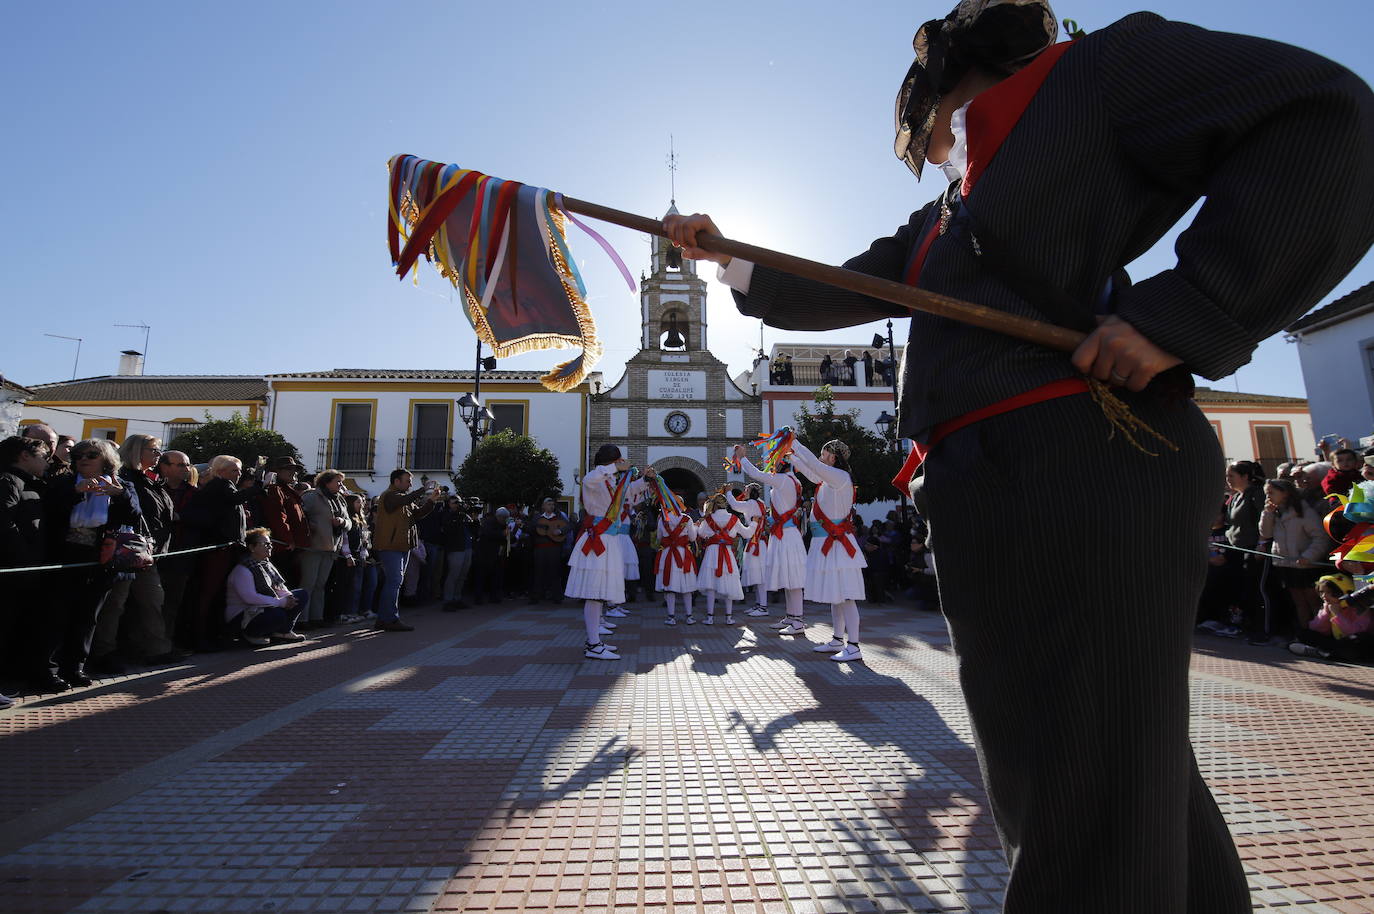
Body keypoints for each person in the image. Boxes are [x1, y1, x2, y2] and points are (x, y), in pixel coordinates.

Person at [668, 3, 1374, 906]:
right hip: (997, 481)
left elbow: (1323, 111)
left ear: (946, 88)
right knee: (1114, 756)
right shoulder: (949, 212)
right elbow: (849, 282)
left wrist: (1192, 310)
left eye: (923, 133)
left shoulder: (1099, 73)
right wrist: (726, 257)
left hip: (1075, 454)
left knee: (1070, 775)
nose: (925, 154)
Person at [41, 438, 141, 688]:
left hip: (101, 559)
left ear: (106, 459)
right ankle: (47, 671)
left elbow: (134, 516)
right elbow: (50, 512)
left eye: (91, 454)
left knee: (88, 617)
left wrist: (118, 495)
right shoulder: (64, 483)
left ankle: (75, 668)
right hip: (65, 556)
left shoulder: (122, 485)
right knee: (56, 614)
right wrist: (77, 491)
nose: (83, 459)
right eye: (78, 455)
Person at [90, 435, 178, 672]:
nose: (159, 455)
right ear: (137, 451)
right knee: (116, 603)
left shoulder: (149, 480)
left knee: (152, 599)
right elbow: (134, 513)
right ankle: (104, 651)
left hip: (146, 550)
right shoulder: (125, 478)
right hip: (123, 549)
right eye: (154, 450)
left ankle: (157, 648)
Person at [566, 446, 654, 659]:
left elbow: (629, 494)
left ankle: (594, 641)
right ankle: (594, 644)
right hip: (599, 538)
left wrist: (646, 479)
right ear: (610, 462)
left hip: (609, 539)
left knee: (598, 594)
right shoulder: (596, 479)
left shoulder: (610, 481)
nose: (622, 463)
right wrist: (613, 467)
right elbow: (588, 479)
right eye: (617, 460)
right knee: (594, 594)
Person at [789, 439, 867, 662]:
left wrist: (793, 442)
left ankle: (853, 645)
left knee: (846, 597)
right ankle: (836, 640)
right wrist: (792, 457)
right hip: (827, 544)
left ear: (833, 458)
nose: (821, 458)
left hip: (837, 546)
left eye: (823, 455)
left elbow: (814, 466)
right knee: (837, 596)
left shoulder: (840, 477)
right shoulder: (827, 480)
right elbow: (811, 470)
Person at [187, 455, 259, 652]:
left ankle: (215, 634)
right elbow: (236, 499)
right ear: (220, 472)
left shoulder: (223, 487)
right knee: (210, 592)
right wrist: (260, 483)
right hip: (218, 549)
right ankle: (201, 637)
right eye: (234, 471)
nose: (238, 475)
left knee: (219, 593)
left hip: (227, 547)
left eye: (239, 471)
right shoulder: (220, 485)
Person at [736, 445, 807, 635]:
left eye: (774, 461)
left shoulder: (783, 480)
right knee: (789, 577)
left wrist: (742, 458)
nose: (771, 464)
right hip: (785, 532)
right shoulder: (792, 480)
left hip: (787, 533)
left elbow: (756, 474)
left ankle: (798, 620)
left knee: (793, 579)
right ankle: (792, 617)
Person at [1, 436, 50, 685]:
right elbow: (6, 523)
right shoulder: (8, 481)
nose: (47, 461)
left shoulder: (32, 483)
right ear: (25, 455)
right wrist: (23, 557)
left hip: (27, 567)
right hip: (13, 568)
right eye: (43, 455)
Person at [372, 469, 441, 631]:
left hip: (402, 545)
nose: (410, 484)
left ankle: (384, 618)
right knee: (394, 581)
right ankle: (390, 619)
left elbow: (417, 514)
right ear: (397, 481)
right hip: (390, 546)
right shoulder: (389, 495)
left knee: (395, 582)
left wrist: (431, 501)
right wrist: (424, 489)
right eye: (408, 481)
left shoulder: (404, 499)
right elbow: (404, 500)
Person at [1259, 477, 1330, 631]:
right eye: (1266, 494)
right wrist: (1267, 514)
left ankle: (1320, 633)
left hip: (1305, 565)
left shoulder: (1304, 512)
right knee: (1298, 602)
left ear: (1285, 493)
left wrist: (1308, 556)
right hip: (1286, 564)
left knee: (1313, 601)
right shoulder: (1274, 512)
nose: (1268, 497)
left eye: (1271, 493)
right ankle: (1304, 634)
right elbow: (1265, 533)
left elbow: (1320, 538)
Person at [224, 527, 306, 646]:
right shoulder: (243, 569)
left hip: (261, 609)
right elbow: (250, 598)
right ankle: (251, 634)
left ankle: (283, 632)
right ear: (252, 547)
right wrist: (280, 603)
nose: (270, 547)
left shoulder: (266, 565)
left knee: (301, 595)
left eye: (270, 543)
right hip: (242, 617)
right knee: (278, 615)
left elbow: (279, 587)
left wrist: (288, 598)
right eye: (266, 544)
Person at [298, 469, 351, 629]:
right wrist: (313, 527)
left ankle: (316, 617)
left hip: (331, 548)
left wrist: (342, 521)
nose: (341, 485)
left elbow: (349, 522)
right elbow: (301, 516)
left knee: (320, 585)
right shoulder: (311, 496)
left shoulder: (341, 500)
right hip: (314, 547)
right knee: (308, 583)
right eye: (338, 481)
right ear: (326, 482)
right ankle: (302, 619)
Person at [696, 492, 756, 625]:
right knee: (729, 582)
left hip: (712, 553)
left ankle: (710, 617)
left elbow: (700, 533)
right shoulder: (734, 519)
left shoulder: (708, 519)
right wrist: (754, 523)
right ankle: (728, 617)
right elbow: (747, 533)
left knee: (710, 585)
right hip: (727, 553)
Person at [1289, 574, 1373, 662]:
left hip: (1354, 642)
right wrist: (1325, 612)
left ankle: (1323, 653)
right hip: (1337, 642)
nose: (1324, 596)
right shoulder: (1329, 605)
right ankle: (1324, 652)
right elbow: (1316, 628)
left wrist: (1337, 615)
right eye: (1321, 592)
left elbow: (1353, 631)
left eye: (1329, 592)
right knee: (1304, 634)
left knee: (1356, 642)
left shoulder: (1359, 606)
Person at [258, 456, 311, 585]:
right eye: (288, 469)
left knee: (293, 583)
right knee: (285, 584)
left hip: (293, 547)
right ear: (278, 472)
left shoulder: (288, 491)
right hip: (283, 549)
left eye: (294, 469)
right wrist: (288, 540)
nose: (293, 472)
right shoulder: (275, 490)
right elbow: (278, 518)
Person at [724, 482, 770, 617]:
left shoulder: (751, 504)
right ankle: (759, 604)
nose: (744, 492)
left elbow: (734, 505)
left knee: (760, 577)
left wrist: (728, 492)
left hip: (756, 543)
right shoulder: (760, 502)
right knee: (758, 575)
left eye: (746, 490)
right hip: (758, 542)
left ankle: (763, 607)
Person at [654, 500, 699, 625]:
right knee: (687, 587)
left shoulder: (662, 519)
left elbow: (659, 538)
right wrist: (695, 527)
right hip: (683, 555)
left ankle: (671, 617)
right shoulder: (687, 519)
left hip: (668, 555)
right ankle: (689, 616)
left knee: (669, 587)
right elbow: (692, 538)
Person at [527, 496, 569, 604]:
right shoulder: (537, 517)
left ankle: (557, 596)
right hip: (540, 549)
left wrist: (560, 531)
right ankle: (536, 596)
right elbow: (530, 529)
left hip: (554, 549)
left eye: (552, 504)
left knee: (555, 573)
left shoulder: (559, 517)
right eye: (549, 504)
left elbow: (568, 526)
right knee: (538, 573)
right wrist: (537, 527)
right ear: (543, 506)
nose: (551, 506)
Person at [440, 496, 474, 610]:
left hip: (467, 547)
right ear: (448, 504)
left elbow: (473, 526)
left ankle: (457, 598)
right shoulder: (447, 515)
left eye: (458, 502)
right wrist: (460, 514)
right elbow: (449, 529)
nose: (456, 505)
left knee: (463, 575)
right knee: (453, 575)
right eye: (454, 503)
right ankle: (448, 600)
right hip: (455, 549)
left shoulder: (463, 515)